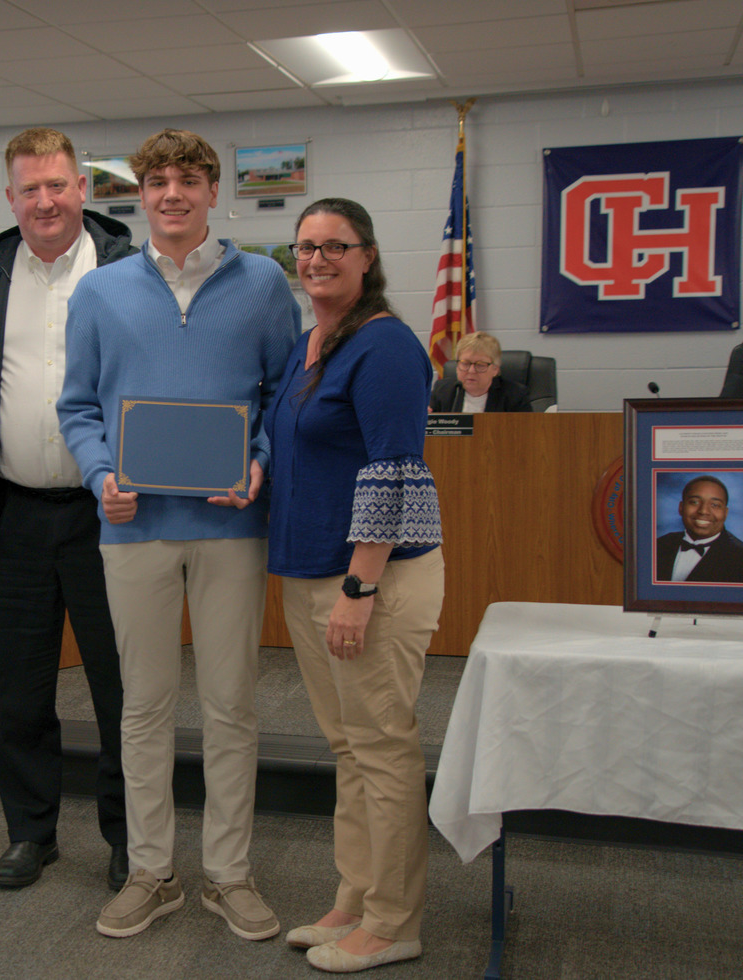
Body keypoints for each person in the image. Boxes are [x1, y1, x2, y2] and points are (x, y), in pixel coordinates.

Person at [57, 128, 301, 941]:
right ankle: (151, 872)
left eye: (187, 179)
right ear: (139, 193)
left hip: (232, 525)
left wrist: (258, 460)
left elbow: (280, 398)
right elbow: (79, 406)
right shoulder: (101, 291)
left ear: (211, 190)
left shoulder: (264, 283)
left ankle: (228, 874)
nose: (170, 192)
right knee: (144, 708)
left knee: (231, 705)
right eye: (155, 179)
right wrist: (101, 476)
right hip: (133, 531)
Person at [0, 128, 134, 891]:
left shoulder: (128, 268)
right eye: (30, 188)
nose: (46, 200)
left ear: (83, 189)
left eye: (58, 184)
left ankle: (132, 840)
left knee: (124, 691)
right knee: (20, 691)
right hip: (17, 518)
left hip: (112, 518)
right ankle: (32, 833)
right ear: (11, 198)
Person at [266, 198, 444, 973]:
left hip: (372, 580)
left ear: (367, 256)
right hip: (309, 572)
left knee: (383, 748)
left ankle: (395, 920)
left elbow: (393, 472)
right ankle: (358, 895)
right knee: (350, 747)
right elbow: (293, 447)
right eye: (306, 247)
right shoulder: (312, 342)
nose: (317, 259)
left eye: (335, 246)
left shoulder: (387, 347)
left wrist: (359, 589)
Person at [655, 474, 743, 583]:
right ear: (681, 508)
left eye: (715, 505)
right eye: (694, 502)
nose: (703, 511)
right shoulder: (658, 545)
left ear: (725, 513)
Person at [428, 332, 531, 413]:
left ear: (495, 369)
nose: (471, 371)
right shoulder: (442, 391)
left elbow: (525, 434)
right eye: (465, 363)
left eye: (480, 365)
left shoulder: (515, 395)